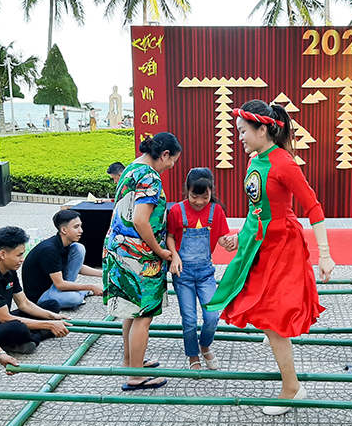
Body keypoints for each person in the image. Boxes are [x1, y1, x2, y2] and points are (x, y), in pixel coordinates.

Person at [206, 100, 335, 415]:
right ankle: (275, 336)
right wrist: (240, 236)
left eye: (243, 131)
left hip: (283, 247)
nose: (240, 138)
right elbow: (256, 211)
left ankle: (291, 388)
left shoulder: (284, 163)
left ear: (262, 129)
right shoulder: (255, 161)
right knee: (254, 302)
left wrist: (325, 254)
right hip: (259, 245)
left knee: (274, 317)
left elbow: (313, 206)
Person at [103, 132, 182, 391]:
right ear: (165, 154)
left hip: (118, 249)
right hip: (139, 254)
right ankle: (135, 376)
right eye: (172, 162)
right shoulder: (150, 176)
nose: (171, 167)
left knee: (129, 309)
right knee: (144, 315)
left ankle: (131, 362)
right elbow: (140, 220)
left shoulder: (132, 168)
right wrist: (160, 251)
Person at [167, 168, 233, 370]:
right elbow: (169, 236)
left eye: (205, 196)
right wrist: (174, 256)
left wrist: (229, 242)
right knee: (188, 319)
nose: (199, 201)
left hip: (206, 274)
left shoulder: (217, 211)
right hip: (183, 274)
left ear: (212, 191)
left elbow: (222, 237)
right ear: (186, 190)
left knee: (212, 316)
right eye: (194, 196)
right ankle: (192, 355)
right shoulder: (177, 210)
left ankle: (205, 345)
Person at [0, 227, 71, 355]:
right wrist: (49, 325)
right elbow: (5, 319)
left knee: (51, 305)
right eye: (19, 255)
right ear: (3, 254)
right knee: (18, 327)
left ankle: (29, 337)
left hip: (5, 319)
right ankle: (33, 336)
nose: (22, 259)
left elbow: (24, 304)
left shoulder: (10, 271)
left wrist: (52, 316)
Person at [21, 210, 103, 309]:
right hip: (41, 294)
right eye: (76, 227)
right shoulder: (49, 250)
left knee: (78, 248)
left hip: (55, 286)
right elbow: (59, 284)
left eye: (80, 226)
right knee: (75, 299)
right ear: (64, 230)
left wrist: (104, 274)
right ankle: (78, 293)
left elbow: (77, 267)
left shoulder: (65, 244)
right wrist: (91, 286)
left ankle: (76, 291)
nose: (81, 230)